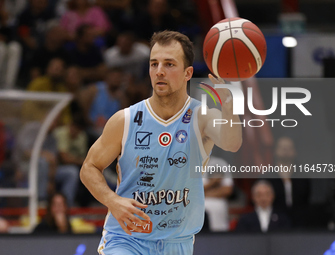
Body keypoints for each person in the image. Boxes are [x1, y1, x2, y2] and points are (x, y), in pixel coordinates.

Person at [80, 30, 242, 254]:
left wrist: (229, 107)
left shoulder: (203, 117)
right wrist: (112, 200)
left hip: (178, 242)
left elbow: (232, 143)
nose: (159, 72)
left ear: (188, 73)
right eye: (154, 64)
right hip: (127, 239)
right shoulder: (125, 119)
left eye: (169, 64)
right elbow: (89, 167)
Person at [203, 155, 233, 232]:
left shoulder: (219, 163)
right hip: (196, 211)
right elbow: (189, 192)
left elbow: (227, 190)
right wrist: (212, 183)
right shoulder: (186, 164)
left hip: (218, 211)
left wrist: (202, 193)